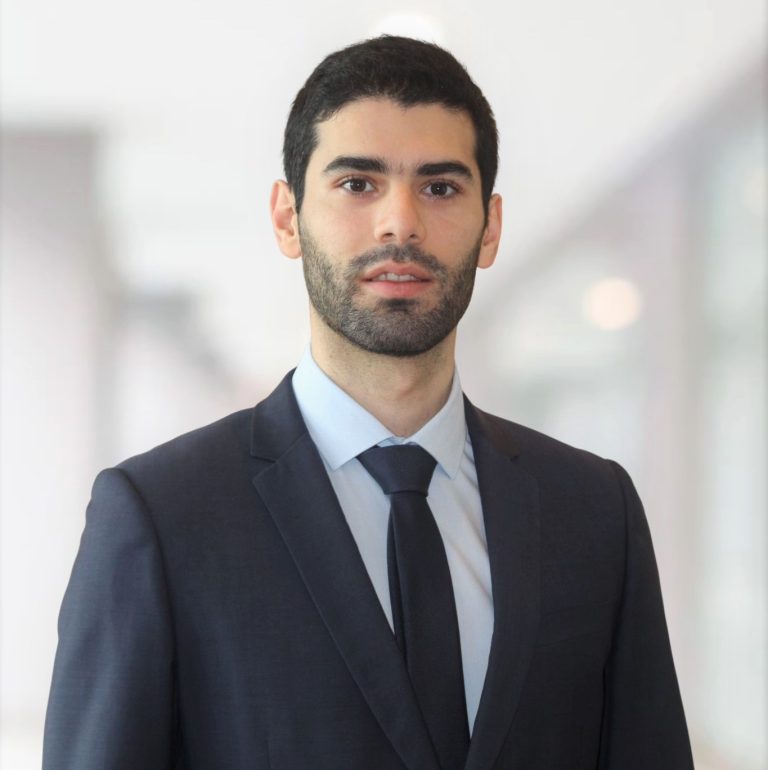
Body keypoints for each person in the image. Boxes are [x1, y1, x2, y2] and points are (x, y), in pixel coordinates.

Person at [43, 36, 694, 770]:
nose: (400, 223)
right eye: (358, 184)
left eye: (440, 187)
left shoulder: (595, 511)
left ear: (490, 228)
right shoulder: (162, 517)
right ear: (287, 218)